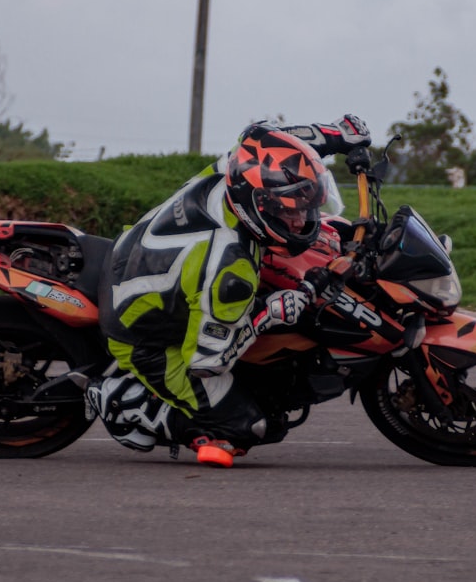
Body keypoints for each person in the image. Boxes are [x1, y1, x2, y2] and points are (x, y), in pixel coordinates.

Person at [88, 115, 371, 467]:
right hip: (145, 340)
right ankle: (128, 404)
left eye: (307, 205)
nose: (304, 218)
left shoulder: (238, 167)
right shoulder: (231, 272)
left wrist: (337, 136)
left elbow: (275, 137)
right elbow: (209, 362)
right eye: (293, 210)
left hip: (139, 255)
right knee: (249, 427)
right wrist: (272, 311)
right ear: (261, 206)